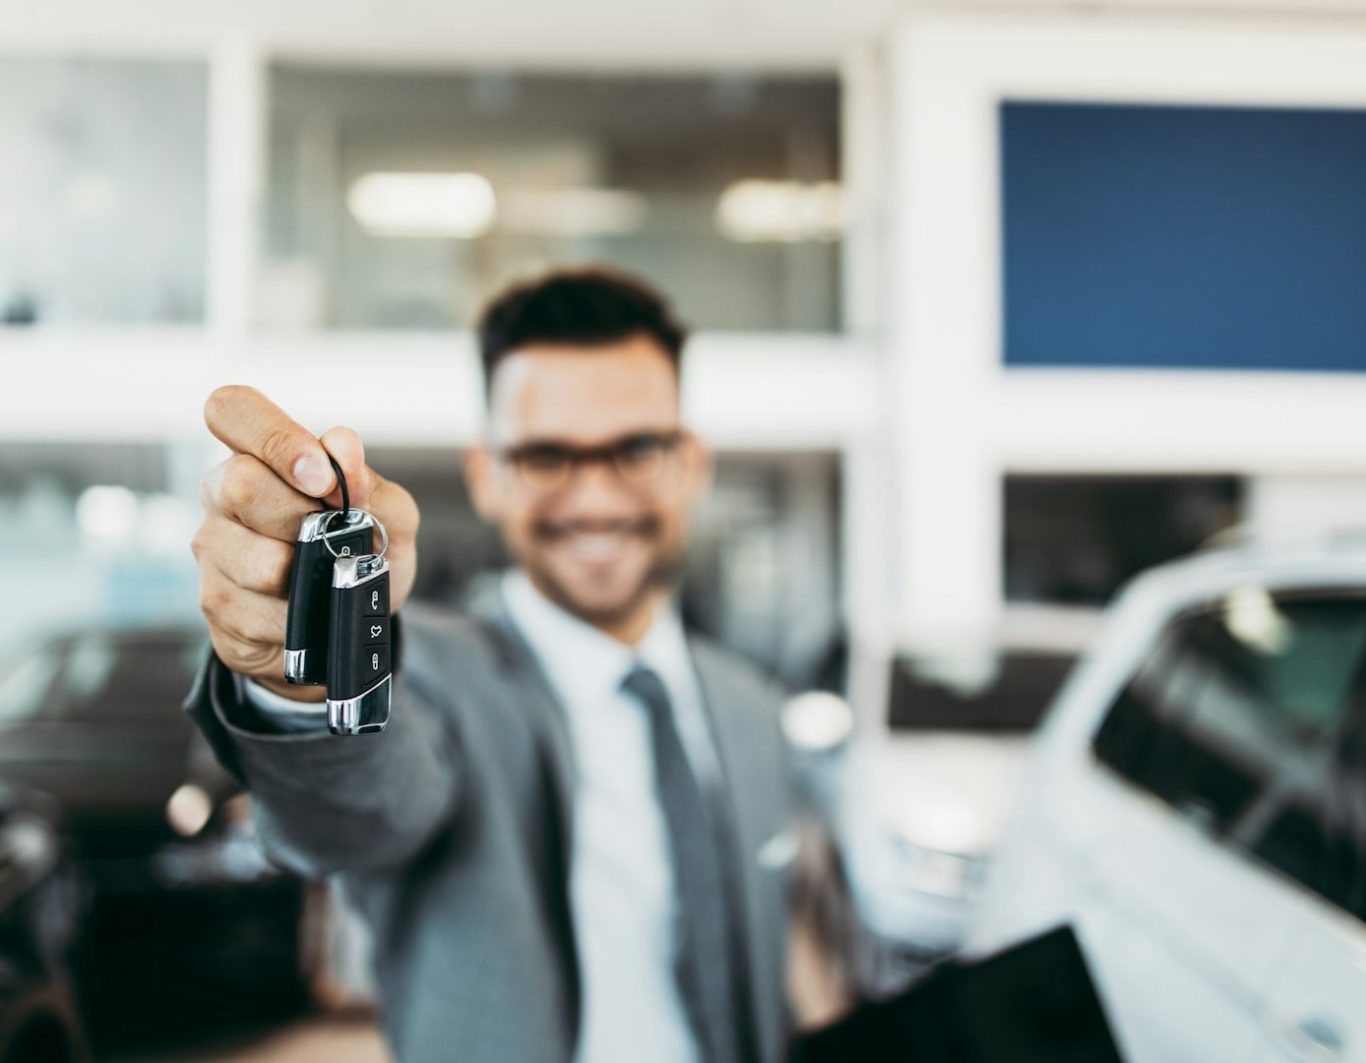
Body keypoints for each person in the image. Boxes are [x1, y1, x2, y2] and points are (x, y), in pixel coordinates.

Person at [184, 267, 800, 1063]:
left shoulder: (748, 704)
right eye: (548, 455)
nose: (595, 497)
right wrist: (310, 672)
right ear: (488, 474)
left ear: (691, 463)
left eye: (636, 449)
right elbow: (354, 814)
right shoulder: (436, 677)